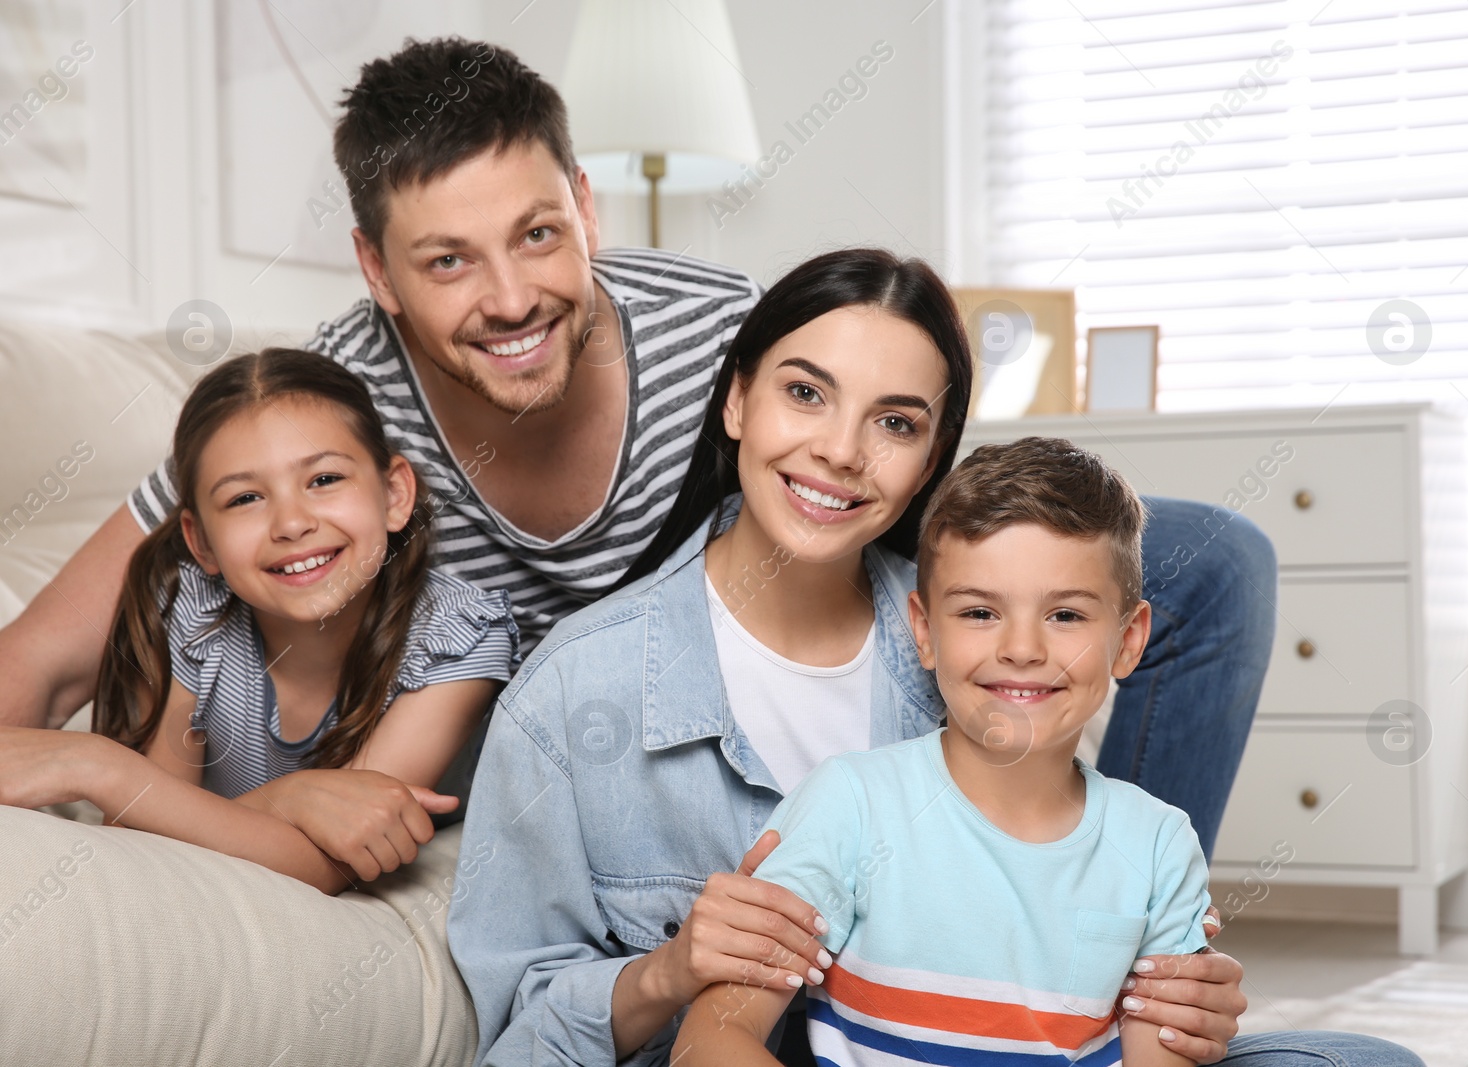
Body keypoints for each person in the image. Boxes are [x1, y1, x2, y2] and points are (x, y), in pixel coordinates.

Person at [2, 35, 1258, 1055]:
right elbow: (39, 671)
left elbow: (869, 467)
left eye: (538, 234)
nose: (508, 297)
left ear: (585, 205)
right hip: (507, 704)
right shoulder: (328, 410)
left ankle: (1118, 940)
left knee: (1201, 557)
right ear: (376, 270)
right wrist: (210, 782)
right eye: (447, 259)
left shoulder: (722, 340)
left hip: (742, 610)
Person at [450, 249, 1421, 1067]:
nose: (839, 450)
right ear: (737, 399)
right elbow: (518, 1032)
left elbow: (1205, 569)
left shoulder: (970, 635)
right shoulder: (577, 687)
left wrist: (1141, 930)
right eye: (803, 393)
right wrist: (666, 971)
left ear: (931, 460)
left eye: (896, 422)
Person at [674, 436, 1209, 1067]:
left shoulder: (1159, 847)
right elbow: (710, 1040)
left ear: (1128, 640)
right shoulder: (851, 806)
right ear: (924, 632)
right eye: (980, 612)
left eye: (1065, 616)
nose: (1022, 649)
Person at [0, 350, 519, 893]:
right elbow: (139, 841)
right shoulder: (194, 613)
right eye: (246, 497)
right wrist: (286, 798)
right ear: (201, 542)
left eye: (323, 479)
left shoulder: (458, 640)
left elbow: (331, 860)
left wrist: (96, 767)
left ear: (394, 495)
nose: (292, 523)